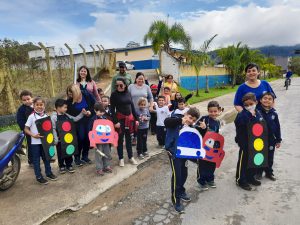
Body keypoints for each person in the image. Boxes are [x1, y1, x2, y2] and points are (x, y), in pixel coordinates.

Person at [164, 107, 201, 213]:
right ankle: (176, 200)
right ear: (185, 114)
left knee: (184, 174)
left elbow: (196, 137)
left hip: (184, 154)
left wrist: (202, 128)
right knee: (177, 176)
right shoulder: (175, 119)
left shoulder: (190, 127)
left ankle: (181, 191)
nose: (191, 121)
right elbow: (167, 122)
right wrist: (181, 120)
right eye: (190, 118)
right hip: (174, 153)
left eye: (193, 120)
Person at [24, 97, 57, 185]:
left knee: (47, 158)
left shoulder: (46, 116)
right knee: (36, 160)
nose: (39, 106)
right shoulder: (31, 117)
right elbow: (26, 129)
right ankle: (38, 176)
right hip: (35, 143)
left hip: (45, 143)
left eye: (41, 105)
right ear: (33, 106)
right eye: (37, 105)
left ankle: (49, 173)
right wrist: (33, 135)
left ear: (44, 106)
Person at [234, 93, 264, 191]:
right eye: (246, 105)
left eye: (251, 104)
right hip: (245, 144)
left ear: (256, 102)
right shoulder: (242, 115)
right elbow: (238, 123)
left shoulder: (258, 113)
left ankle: (250, 177)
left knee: (253, 161)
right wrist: (248, 115)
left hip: (255, 144)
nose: (248, 106)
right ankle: (240, 179)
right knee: (243, 162)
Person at [51, 99, 87, 174]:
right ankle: (61, 166)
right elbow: (53, 128)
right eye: (65, 107)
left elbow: (75, 119)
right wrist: (55, 139)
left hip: (68, 139)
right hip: (60, 140)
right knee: (60, 153)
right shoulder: (54, 117)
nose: (66, 109)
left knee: (69, 152)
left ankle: (69, 165)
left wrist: (82, 113)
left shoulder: (66, 115)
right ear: (58, 107)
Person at [110, 78, 138, 167]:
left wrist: (136, 118)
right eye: (117, 85)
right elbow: (112, 109)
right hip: (120, 120)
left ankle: (130, 157)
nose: (119, 87)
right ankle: (121, 158)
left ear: (125, 85)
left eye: (121, 85)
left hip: (129, 120)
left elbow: (132, 106)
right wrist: (115, 121)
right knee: (120, 140)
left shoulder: (128, 93)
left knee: (129, 139)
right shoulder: (114, 95)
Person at [196, 101, 222, 190]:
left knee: (212, 165)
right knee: (202, 165)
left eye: (215, 111)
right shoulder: (204, 119)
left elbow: (216, 135)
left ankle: (210, 179)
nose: (213, 113)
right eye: (211, 111)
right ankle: (201, 182)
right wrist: (203, 128)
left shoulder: (218, 122)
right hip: (203, 147)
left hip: (213, 149)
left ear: (218, 111)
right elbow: (196, 128)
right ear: (208, 111)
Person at [66, 84, 94, 166]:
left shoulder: (87, 95)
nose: (70, 96)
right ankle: (77, 157)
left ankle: (85, 156)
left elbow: (94, 105)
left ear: (76, 92)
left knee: (88, 139)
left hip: (88, 120)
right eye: (69, 94)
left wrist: (89, 112)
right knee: (80, 139)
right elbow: (67, 111)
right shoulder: (69, 101)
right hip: (77, 123)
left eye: (71, 94)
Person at [256, 92, 281, 181]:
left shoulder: (274, 114)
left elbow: (277, 127)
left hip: (271, 140)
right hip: (259, 140)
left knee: (270, 157)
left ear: (273, 101)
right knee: (259, 156)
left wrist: (278, 140)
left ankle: (269, 172)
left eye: (270, 99)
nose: (267, 100)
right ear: (260, 100)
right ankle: (258, 172)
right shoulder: (257, 112)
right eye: (265, 98)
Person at [89, 103, 113, 176]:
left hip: (105, 140)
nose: (101, 113)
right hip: (97, 141)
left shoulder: (105, 118)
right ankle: (99, 168)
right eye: (99, 111)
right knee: (99, 155)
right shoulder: (93, 120)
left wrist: (111, 139)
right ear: (95, 111)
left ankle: (106, 166)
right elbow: (91, 131)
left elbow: (108, 129)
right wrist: (93, 143)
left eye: (102, 111)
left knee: (107, 152)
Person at [16, 90, 34, 166]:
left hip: (38, 130)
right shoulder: (21, 110)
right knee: (31, 145)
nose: (27, 101)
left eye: (28, 99)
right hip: (29, 131)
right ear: (21, 101)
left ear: (32, 98)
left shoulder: (37, 106)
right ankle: (31, 160)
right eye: (24, 100)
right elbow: (20, 121)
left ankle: (43, 157)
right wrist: (25, 129)